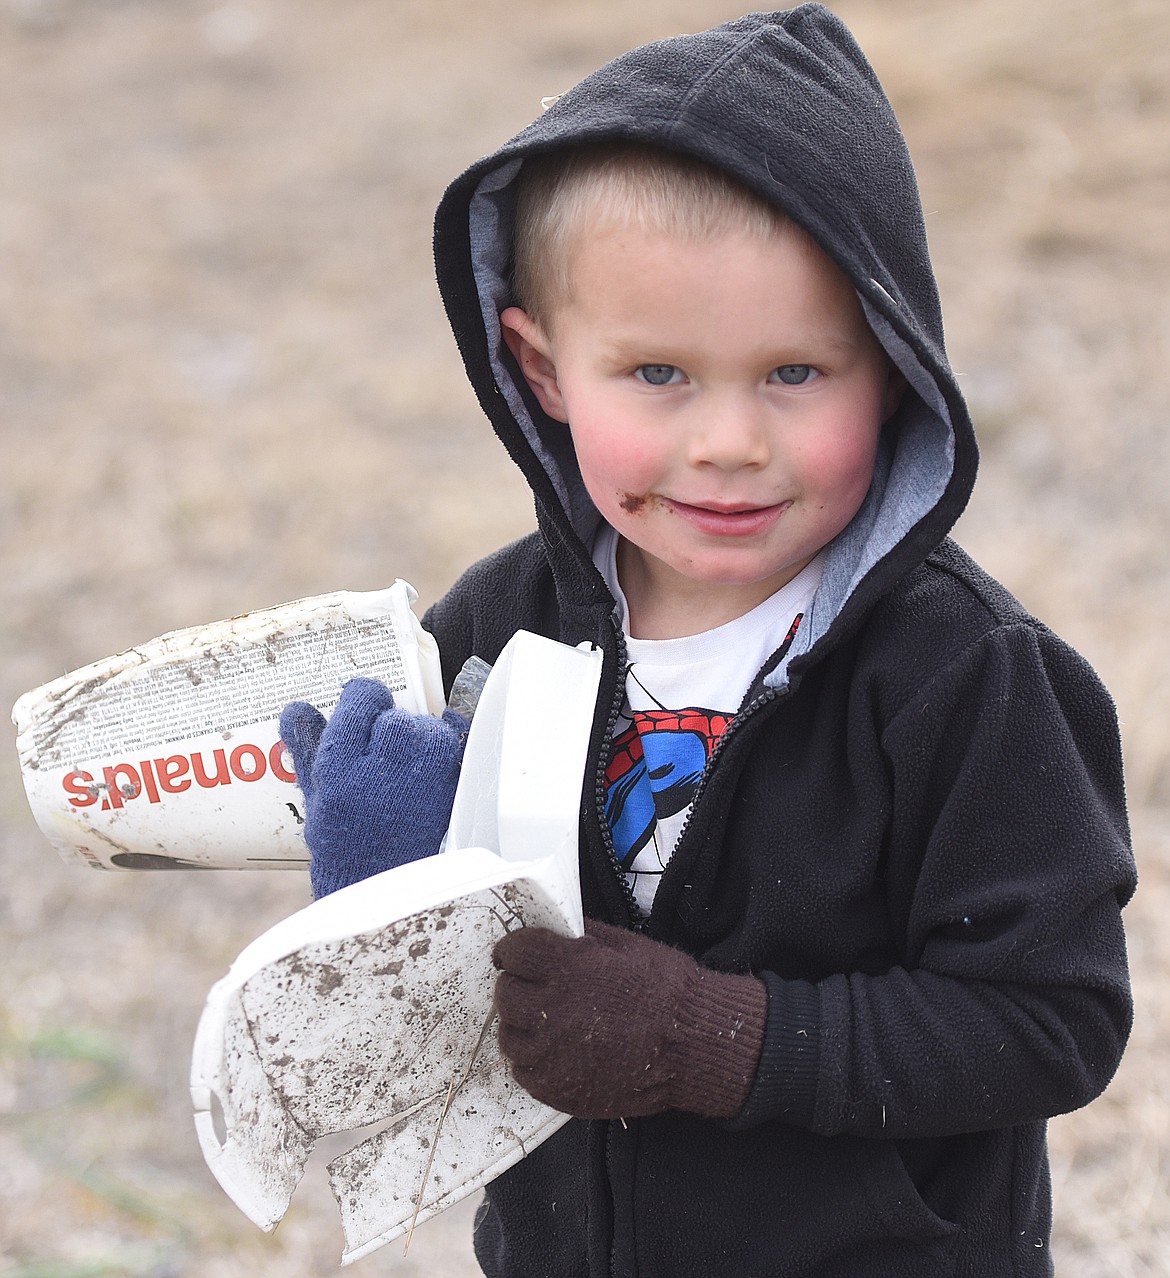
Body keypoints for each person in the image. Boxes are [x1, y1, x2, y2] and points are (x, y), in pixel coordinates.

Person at [280, 6, 1136, 1275]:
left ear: (893, 367)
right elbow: (443, 1016)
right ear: (545, 367)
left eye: (796, 373)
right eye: (659, 374)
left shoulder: (965, 677)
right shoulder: (495, 632)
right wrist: (383, 895)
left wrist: (712, 1036)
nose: (729, 442)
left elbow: (1050, 1021)